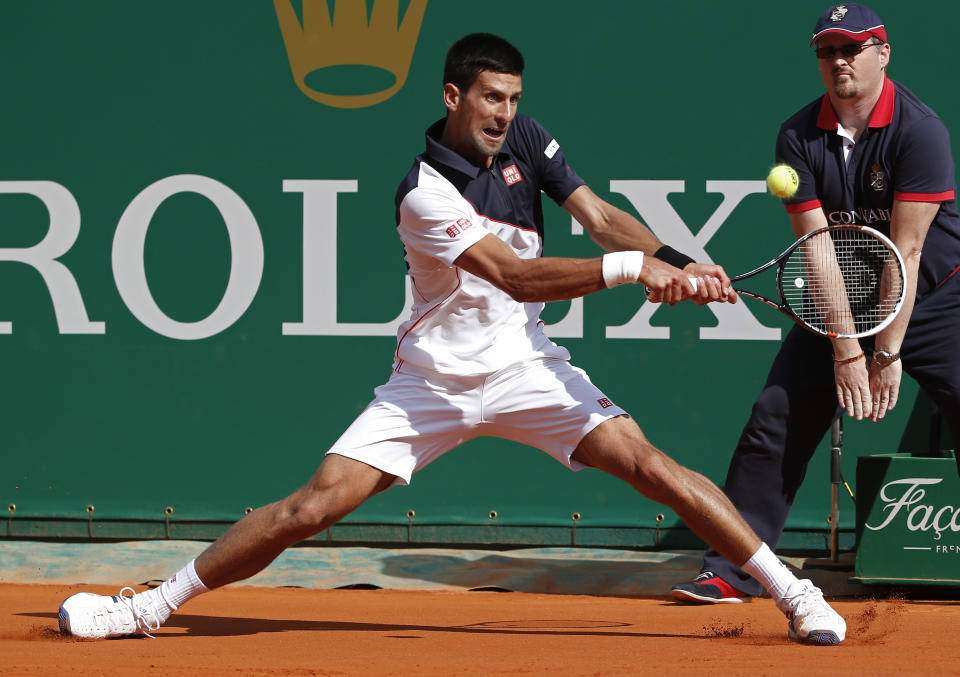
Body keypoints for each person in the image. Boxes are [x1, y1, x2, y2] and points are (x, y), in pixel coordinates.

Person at [58, 33, 846, 645]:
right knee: (310, 507)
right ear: (452, 95)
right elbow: (514, 276)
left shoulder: (528, 140)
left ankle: (791, 590)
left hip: (527, 368)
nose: (504, 113)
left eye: (512, 99)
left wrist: (675, 262)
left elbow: (601, 217)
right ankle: (151, 606)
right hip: (432, 382)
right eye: (490, 99)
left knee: (653, 465)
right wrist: (635, 271)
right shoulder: (424, 194)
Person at [671, 3, 960, 605]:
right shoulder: (797, 134)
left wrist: (885, 353)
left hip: (933, 298)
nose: (839, 61)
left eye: (853, 48)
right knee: (774, 419)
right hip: (844, 300)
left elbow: (905, 251)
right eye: (828, 50)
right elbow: (818, 250)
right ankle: (733, 568)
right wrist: (847, 350)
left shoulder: (920, 129)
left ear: (883, 53)